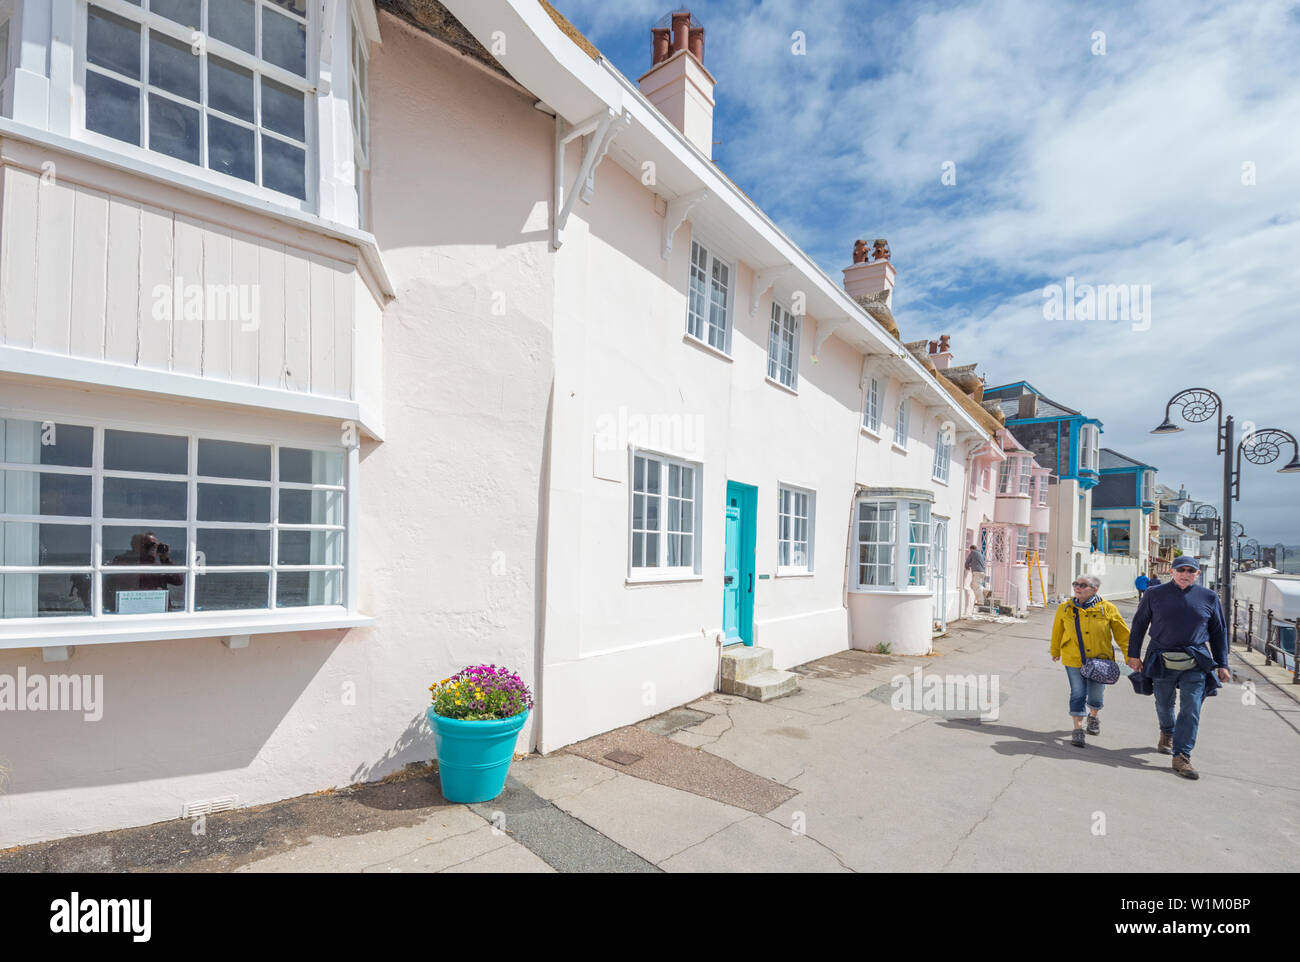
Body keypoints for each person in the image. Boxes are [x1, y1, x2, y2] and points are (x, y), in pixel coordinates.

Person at [1126, 556, 1230, 780]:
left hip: (1196, 660)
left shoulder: (1209, 597)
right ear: (1171, 572)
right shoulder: (1154, 594)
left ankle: (1182, 755)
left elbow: (1219, 632)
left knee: (1191, 707)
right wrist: (1133, 655)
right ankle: (1167, 731)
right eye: (1180, 570)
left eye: (1190, 571)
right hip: (1161, 657)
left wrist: (1223, 664)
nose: (1185, 574)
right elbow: (1139, 625)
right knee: (1164, 703)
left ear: (1197, 574)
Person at [1050, 573, 1130, 747]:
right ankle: (1077, 729)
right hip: (1073, 658)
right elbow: (1057, 631)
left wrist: (1130, 656)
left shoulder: (1107, 608)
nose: (1077, 587)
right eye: (1075, 584)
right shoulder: (1065, 608)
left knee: (1096, 694)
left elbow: (1123, 635)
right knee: (1078, 692)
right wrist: (1055, 650)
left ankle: (1093, 717)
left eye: (1083, 585)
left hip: (1101, 660)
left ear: (1095, 589)